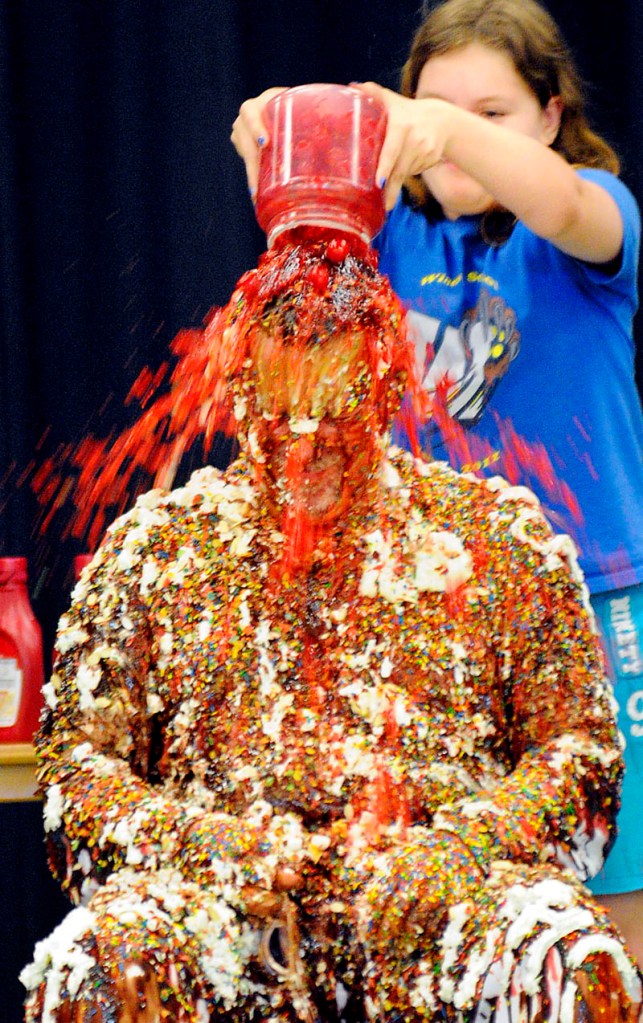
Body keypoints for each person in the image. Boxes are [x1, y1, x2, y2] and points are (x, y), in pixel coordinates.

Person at [21, 229, 642, 1022]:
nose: (304, 446)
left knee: (572, 966)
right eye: (279, 412)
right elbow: (76, 769)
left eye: (336, 410)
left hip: (450, 911)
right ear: (238, 391)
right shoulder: (159, 549)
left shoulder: (492, 539)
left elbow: (579, 750)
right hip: (215, 915)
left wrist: (461, 848)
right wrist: (208, 846)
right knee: (97, 968)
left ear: (387, 392)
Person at [231, 0, 643, 963]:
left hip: (593, 595)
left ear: (550, 115)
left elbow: (561, 205)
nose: (455, 134)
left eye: (491, 113)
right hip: (436, 612)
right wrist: (285, 133)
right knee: (435, 890)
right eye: (433, 107)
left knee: (613, 890)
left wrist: (438, 127)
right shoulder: (389, 240)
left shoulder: (589, 216)